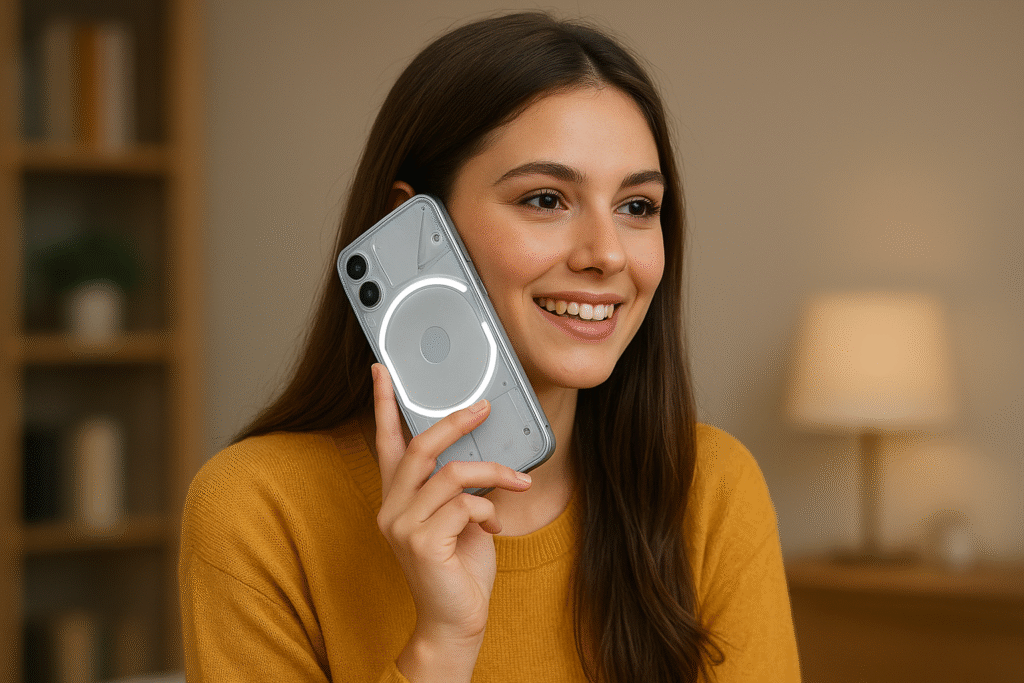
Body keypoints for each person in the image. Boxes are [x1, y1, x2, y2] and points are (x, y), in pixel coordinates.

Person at [179, 11, 800, 683]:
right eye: (545, 198)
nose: (607, 254)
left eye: (638, 207)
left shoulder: (709, 489)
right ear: (409, 226)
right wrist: (443, 643)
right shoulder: (259, 510)